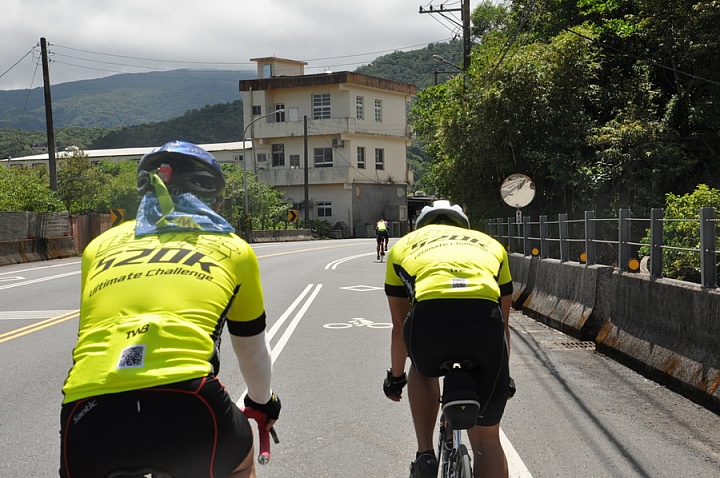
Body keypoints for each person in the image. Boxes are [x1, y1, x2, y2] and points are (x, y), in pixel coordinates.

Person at [59, 141, 281, 478]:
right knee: (239, 461)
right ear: (214, 202)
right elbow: (251, 351)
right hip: (189, 402)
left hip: (87, 410)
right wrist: (262, 403)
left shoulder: (98, 247)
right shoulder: (233, 248)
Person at [382, 200, 513, 478]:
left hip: (430, 319)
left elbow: (399, 327)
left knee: (421, 366)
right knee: (488, 440)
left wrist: (395, 378)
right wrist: (503, 375)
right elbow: (503, 325)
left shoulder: (402, 246)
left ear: (421, 228)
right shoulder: (491, 245)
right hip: (483, 322)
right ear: (464, 228)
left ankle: (425, 455)